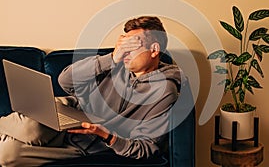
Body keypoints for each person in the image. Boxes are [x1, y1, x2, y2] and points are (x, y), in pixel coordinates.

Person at [0, 16, 185, 166]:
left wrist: (106, 135)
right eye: (123, 45)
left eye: (132, 46)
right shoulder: (114, 63)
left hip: (89, 142)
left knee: (7, 155)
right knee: (31, 129)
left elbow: (147, 148)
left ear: (154, 50)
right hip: (68, 110)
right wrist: (112, 58)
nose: (125, 52)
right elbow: (65, 81)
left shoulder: (164, 90)